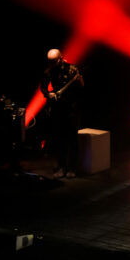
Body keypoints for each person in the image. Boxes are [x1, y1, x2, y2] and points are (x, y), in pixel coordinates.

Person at [40, 49, 84, 179]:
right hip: (58, 109)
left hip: (71, 109)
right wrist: (49, 94)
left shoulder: (72, 69)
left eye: (54, 61)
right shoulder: (49, 70)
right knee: (59, 139)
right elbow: (43, 87)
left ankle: (72, 168)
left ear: (61, 58)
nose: (52, 64)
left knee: (72, 139)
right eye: (50, 62)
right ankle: (61, 166)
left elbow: (82, 88)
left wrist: (79, 81)